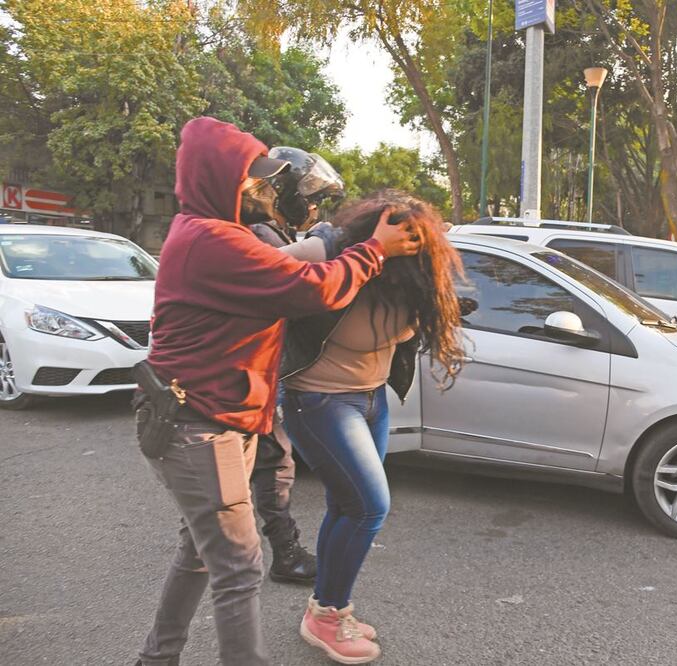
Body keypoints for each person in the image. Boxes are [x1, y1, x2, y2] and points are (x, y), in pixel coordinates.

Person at [135, 117, 419, 666]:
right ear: (222, 183)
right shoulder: (210, 241)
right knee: (240, 566)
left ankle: (157, 657)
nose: (267, 191)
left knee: (200, 553)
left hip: (221, 418)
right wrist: (376, 248)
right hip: (198, 424)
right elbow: (315, 290)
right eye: (255, 181)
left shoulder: (221, 235)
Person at [280, 190, 465, 664]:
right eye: (404, 240)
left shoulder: (415, 275)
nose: (414, 249)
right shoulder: (331, 251)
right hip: (318, 400)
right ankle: (328, 616)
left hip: (371, 400)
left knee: (345, 504)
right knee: (369, 507)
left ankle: (325, 607)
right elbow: (257, 273)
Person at [246, 147, 348, 585]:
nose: (312, 206)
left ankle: (243, 543)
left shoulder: (277, 232)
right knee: (272, 465)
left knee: (269, 464)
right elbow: (307, 291)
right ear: (279, 191)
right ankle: (284, 554)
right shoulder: (259, 234)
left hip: (264, 370)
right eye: (307, 195)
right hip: (251, 372)